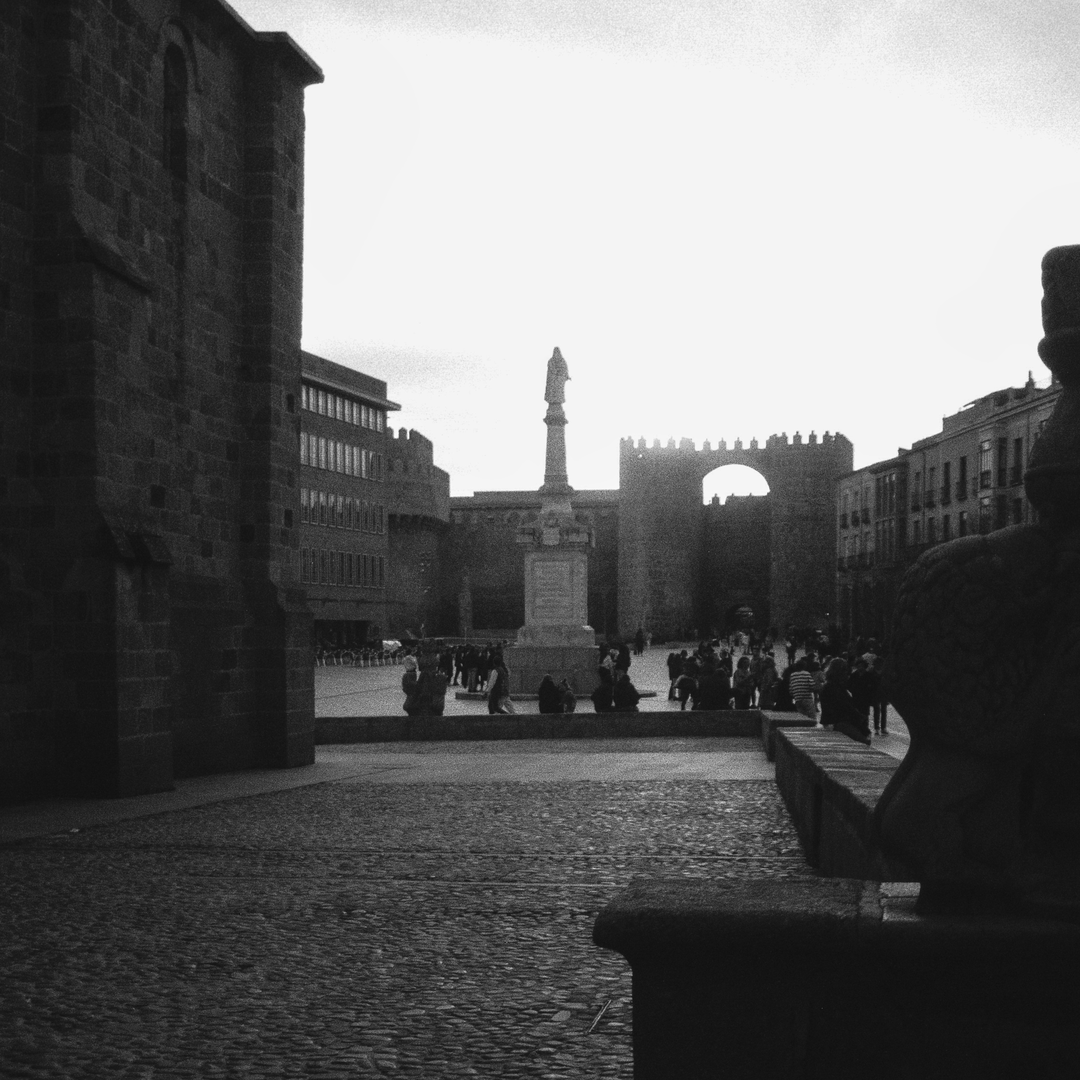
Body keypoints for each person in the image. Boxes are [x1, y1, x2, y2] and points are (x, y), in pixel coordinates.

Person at [819, 658, 871, 744]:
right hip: (837, 723)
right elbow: (845, 707)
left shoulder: (829, 686)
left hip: (831, 722)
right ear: (840, 672)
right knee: (864, 742)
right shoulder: (835, 688)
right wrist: (860, 717)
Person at [487, 650, 513, 714]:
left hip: (498, 692)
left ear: (494, 662)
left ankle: (507, 716)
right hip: (505, 691)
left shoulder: (495, 671)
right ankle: (515, 716)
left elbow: (491, 682)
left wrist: (487, 691)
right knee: (510, 707)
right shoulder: (503, 670)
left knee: (495, 708)